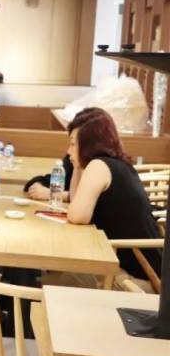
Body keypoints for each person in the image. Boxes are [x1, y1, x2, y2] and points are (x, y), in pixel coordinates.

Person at [66, 107, 161, 281]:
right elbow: (75, 201)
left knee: (59, 278)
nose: (68, 151)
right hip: (145, 264)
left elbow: (77, 215)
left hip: (140, 275)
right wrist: (77, 165)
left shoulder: (99, 166)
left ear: (88, 144)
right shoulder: (117, 164)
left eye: (73, 144)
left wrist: (79, 163)